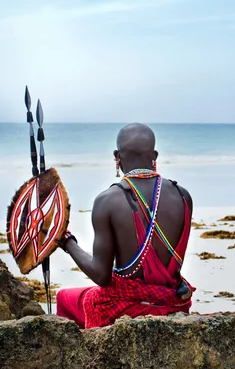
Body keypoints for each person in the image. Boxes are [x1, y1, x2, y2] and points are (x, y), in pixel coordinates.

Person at [55, 123, 195, 328]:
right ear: (154, 155)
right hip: (173, 303)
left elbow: (101, 276)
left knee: (64, 297)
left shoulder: (107, 200)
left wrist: (67, 242)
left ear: (116, 156)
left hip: (125, 309)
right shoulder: (183, 196)